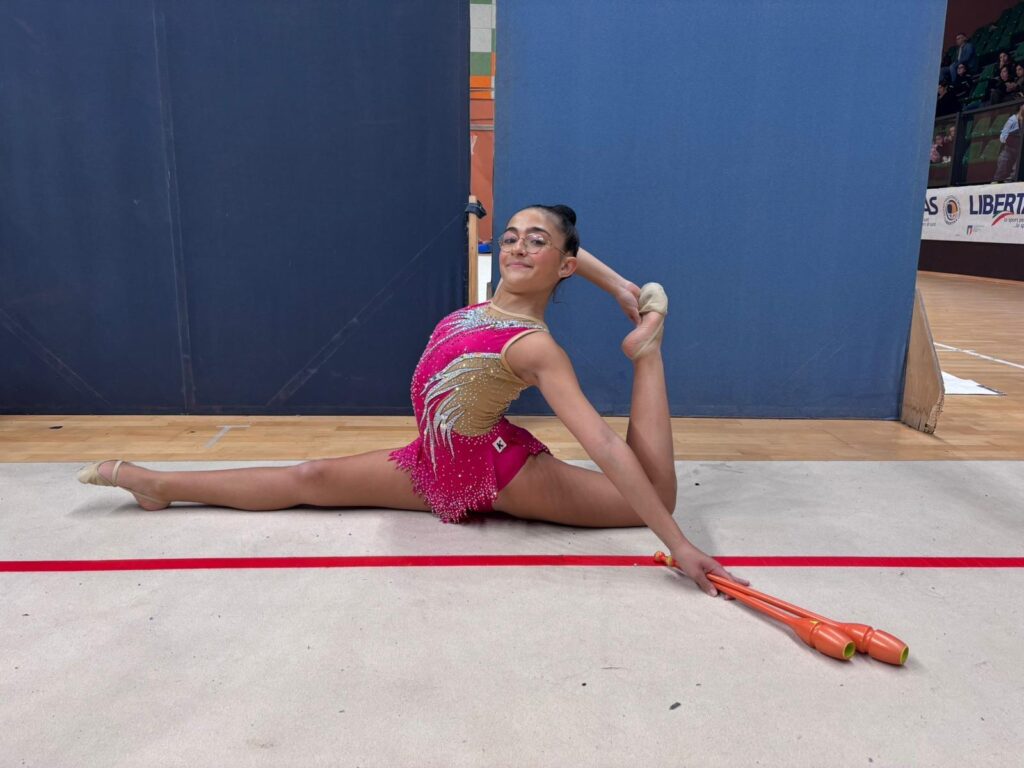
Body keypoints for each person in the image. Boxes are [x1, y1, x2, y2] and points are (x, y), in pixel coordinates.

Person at [77, 204, 747, 596]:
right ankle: (160, 484)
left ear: (563, 264)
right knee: (310, 476)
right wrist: (619, 284)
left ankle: (647, 355)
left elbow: (599, 442)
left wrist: (679, 547)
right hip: (431, 462)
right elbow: (555, 251)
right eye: (510, 236)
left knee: (655, 496)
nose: (518, 245)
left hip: (500, 474)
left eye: (536, 242)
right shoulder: (481, 308)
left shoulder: (533, 346)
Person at [993, 103, 1024, 182]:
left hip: (1020, 150)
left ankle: (1011, 180)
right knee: (1003, 163)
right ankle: (996, 182)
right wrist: (1011, 137)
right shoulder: (1012, 120)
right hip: (1009, 148)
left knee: (1017, 168)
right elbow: (1002, 137)